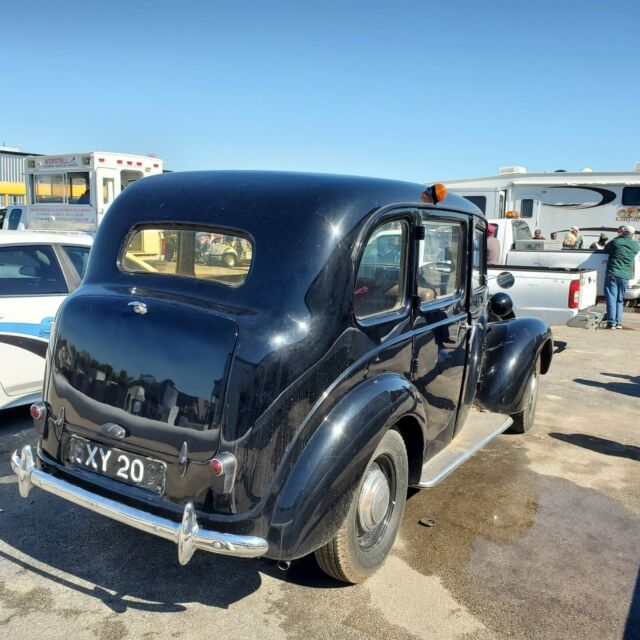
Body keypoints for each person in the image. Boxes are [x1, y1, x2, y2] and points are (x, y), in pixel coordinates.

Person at [602, 224, 640, 329]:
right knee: (620, 299)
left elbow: (606, 248)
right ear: (633, 234)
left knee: (611, 298)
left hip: (613, 273)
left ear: (623, 232)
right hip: (625, 276)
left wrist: (619, 236)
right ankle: (619, 323)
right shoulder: (636, 245)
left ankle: (611, 322)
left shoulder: (616, 242)